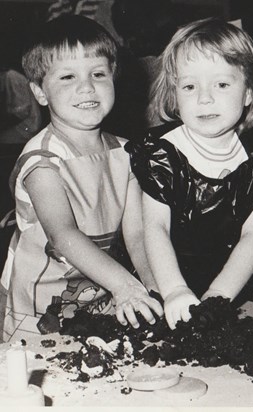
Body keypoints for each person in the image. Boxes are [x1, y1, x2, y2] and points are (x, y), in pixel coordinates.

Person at [0, 15, 163, 342]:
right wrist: (125, 286)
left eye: (99, 74)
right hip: (37, 309)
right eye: (68, 76)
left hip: (99, 297)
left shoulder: (128, 153)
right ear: (40, 93)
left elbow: (137, 234)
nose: (87, 87)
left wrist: (155, 288)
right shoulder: (42, 161)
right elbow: (63, 235)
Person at [125, 18, 253, 330]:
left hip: (230, 289)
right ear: (174, 96)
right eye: (189, 86)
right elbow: (154, 229)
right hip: (163, 284)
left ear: (249, 92)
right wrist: (174, 290)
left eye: (222, 84)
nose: (204, 98)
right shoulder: (162, 155)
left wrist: (217, 298)